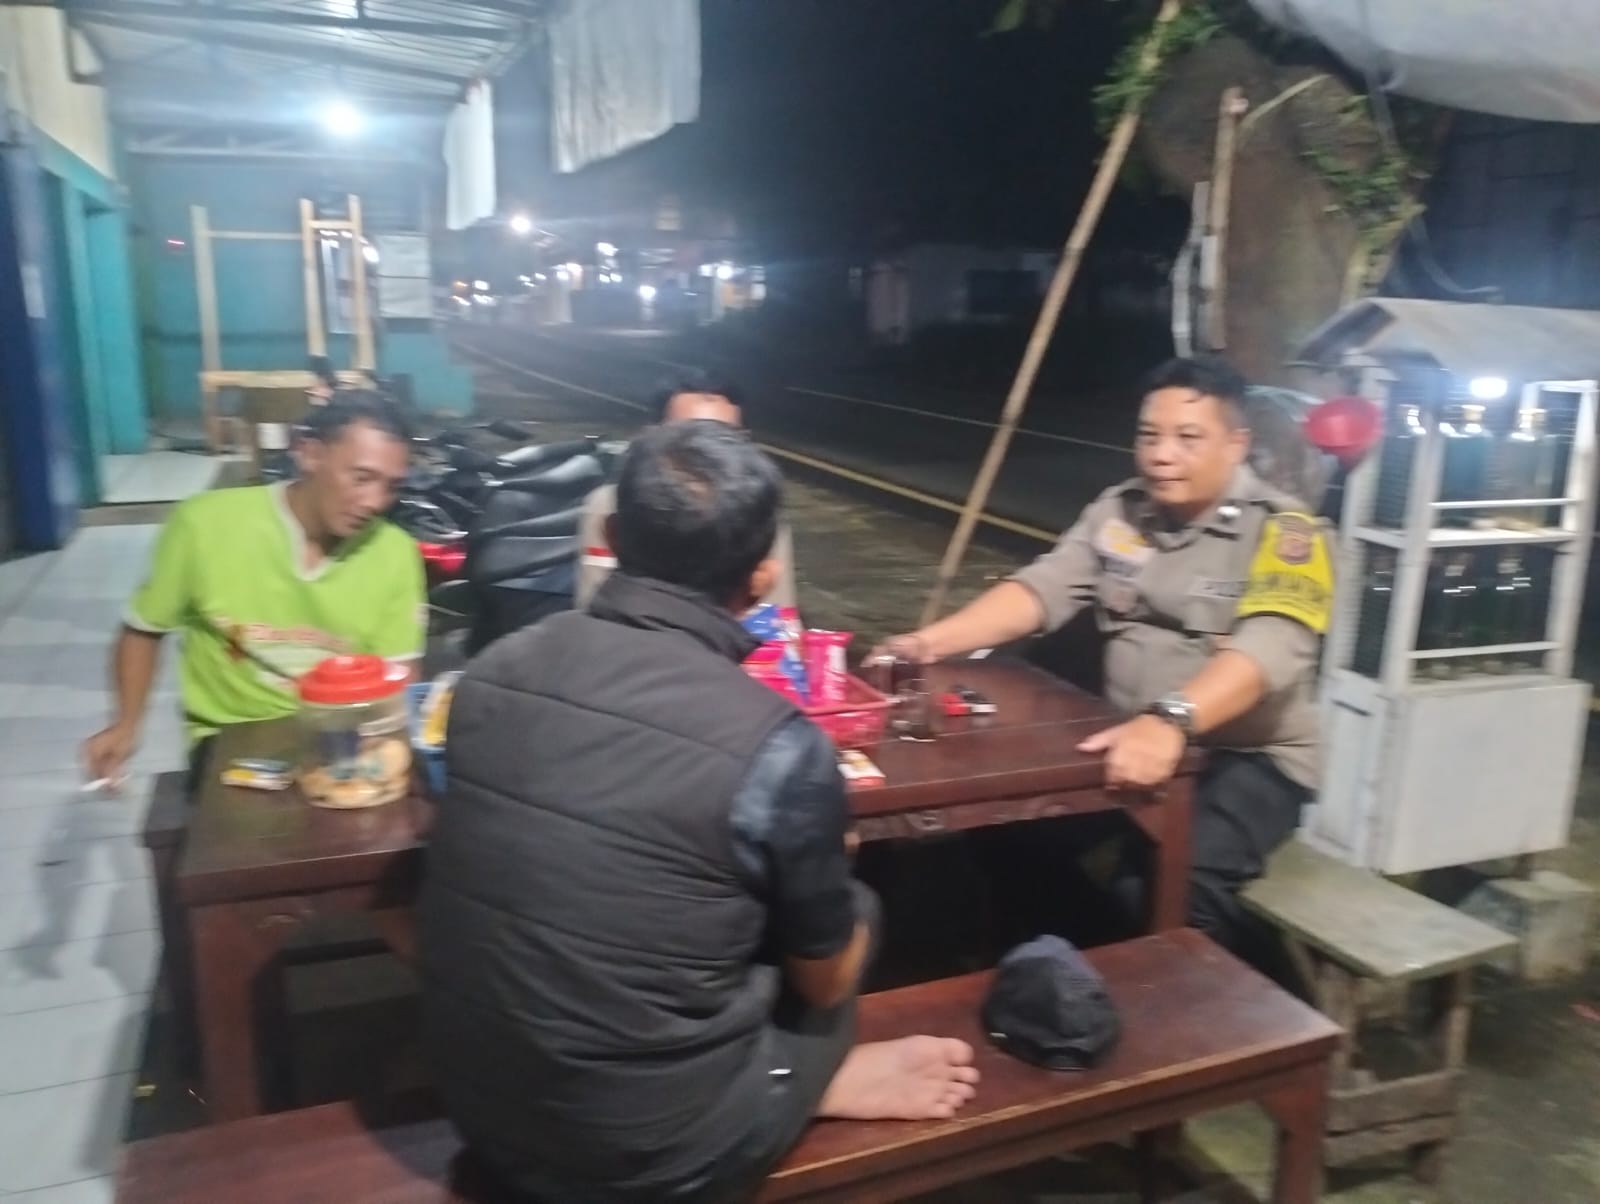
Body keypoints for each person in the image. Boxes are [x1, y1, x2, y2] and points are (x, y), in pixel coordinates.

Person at [420, 421, 978, 1204]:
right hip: (654, 1159)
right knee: (854, 916)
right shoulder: (778, 748)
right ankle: (803, 1086)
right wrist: (826, 866)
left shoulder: (489, 674)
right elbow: (824, 986)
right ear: (764, 576)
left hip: (482, 1110)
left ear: (614, 538)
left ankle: (775, 1078)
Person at [879, 356, 1330, 956]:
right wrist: (926, 643)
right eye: (1149, 436)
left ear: (1236, 445)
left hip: (1248, 758)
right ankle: (1069, 972)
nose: (1162, 455)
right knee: (1010, 834)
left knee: (1172, 885)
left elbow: (1270, 647)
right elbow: (1043, 588)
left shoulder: (1287, 534)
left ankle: (1245, 999)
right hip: (1131, 735)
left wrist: (1172, 719)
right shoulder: (1122, 512)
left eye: (1188, 438)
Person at [82, 392, 425, 787]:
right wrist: (126, 725)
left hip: (344, 738)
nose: (375, 502)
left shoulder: (395, 553)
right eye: (361, 478)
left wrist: (382, 752)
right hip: (231, 739)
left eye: (391, 487)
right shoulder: (204, 525)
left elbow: (399, 676)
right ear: (309, 454)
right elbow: (144, 629)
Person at [576, 369, 798, 610]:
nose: (707, 452)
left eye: (724, 437)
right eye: (689, 435)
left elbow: (778, 613)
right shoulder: (613, 504)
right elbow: (596, 604)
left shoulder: (759, 511)